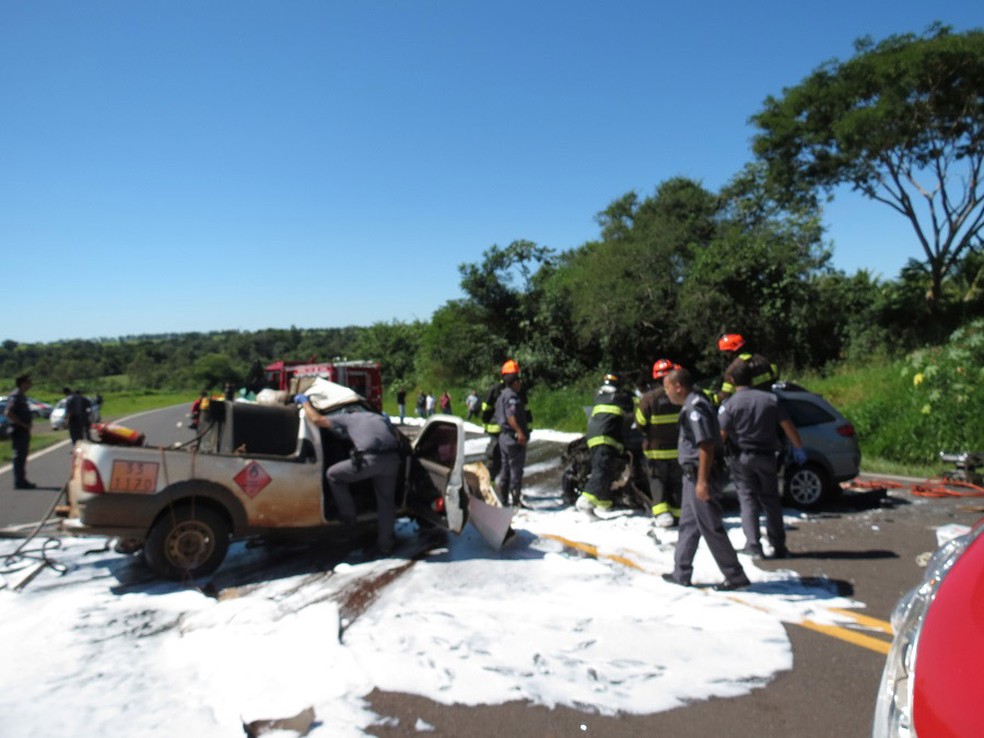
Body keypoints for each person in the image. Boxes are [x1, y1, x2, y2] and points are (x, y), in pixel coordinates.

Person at [661, 367, 750, 591]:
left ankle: (735, 576)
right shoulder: (691, 405)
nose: (666, 393)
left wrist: (702, 481)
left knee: (711, 526)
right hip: (691, 476)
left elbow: (706, 445)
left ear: (678, 386)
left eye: (667, 387)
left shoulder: (695, 408)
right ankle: (681, 571)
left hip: (701, 475)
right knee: (689, 525)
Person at [718, 357, 807, 559]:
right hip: (767, 456)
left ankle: (754, 545)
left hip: (741, 458)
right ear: (752, 379)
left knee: (747, 500)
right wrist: (799, 447)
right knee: (771, 501)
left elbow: (721, 435)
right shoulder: (770, 399)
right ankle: (778, 546)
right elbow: (788, 426)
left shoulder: (730, 404)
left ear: (732, 380)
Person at [296, 395, 402, 556]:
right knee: (386, 502)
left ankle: (348, 516)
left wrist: (304, 402)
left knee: (333, 475)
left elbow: (317, 420)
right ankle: (385, 545)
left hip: (370, 459)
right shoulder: (378, 416)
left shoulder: (348, 419)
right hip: (393, 459)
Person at [576, 373, 635, 516]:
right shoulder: (620, 397)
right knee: (602, 470)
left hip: (594, 437)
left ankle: (603, 502)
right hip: (606, 437)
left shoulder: (599, 396)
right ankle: (585, 500)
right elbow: (635, 405)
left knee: (603, 469)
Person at [636, 359, 683, 528]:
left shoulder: (649, 399)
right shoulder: (680, 394)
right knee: (678, 483)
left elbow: (640, 423)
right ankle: (679, 513)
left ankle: (662, 514)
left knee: (658, 482)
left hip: (656, 453)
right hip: (678, 450)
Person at [480, 359, 522, 482]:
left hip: (508, 431)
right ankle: (490, 482)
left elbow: (485, 410)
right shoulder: (498, 389)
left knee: (509, 460)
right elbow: (486, 408)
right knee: (495, 457)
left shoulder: (514, 389)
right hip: (499, 430)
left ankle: (505, 485)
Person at [493, 371, 530, 507]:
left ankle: (503, 499)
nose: (520, 385)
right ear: (514, 383)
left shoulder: (501, 396)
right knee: (516, 470)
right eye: (519, 382)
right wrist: (520, 432)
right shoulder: (512, 396)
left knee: (505, 469)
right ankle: (515, 500)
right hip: (513, 438)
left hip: (504, 437)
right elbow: (511, 416)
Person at [717, 333, 779, 401]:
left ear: (730, 352)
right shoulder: (762, 360)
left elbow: (725, 395)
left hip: (750, 404)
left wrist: (714, 398)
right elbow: (775, 375)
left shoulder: (733, 369)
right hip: (771, 399)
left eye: (725, 352)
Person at [5, 374, 36, 489]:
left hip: (23, 430)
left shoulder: (21, 395)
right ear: (23, 383)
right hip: (19, 430)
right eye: (28, 382)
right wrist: (22, 424)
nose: (30, 385)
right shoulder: (16, 395)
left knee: (22, 456)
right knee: (19, 456)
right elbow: (8, 412)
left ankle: (22, 480)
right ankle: (19, 482)